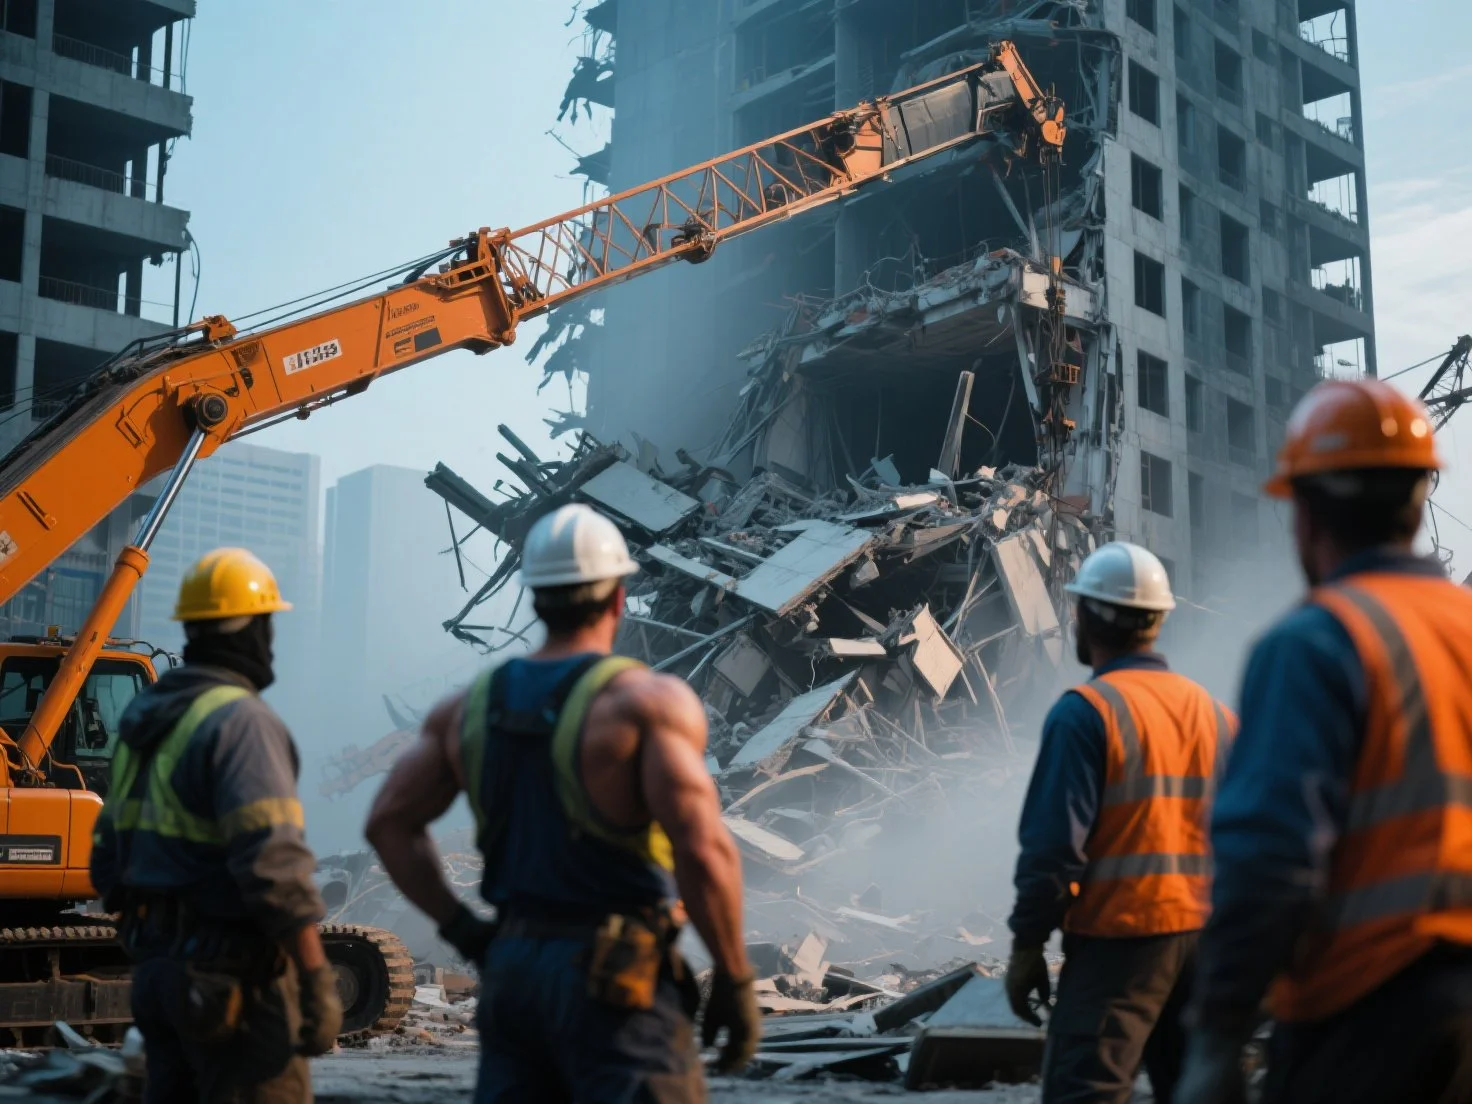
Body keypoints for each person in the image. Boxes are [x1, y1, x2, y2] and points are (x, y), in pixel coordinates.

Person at [365, 503, 759, 1103]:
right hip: (615, 979)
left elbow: (389, 823)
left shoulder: (464, 710)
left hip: (513, 973)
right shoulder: (645, 704)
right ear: (618, 599)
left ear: (533, 597)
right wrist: (733, 975)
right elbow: (702, 850)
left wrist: (466, 930)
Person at [1177, 379, 1472, 1104]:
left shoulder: (1317, 641)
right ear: (1417, 498)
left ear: (1306, 513)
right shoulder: (1464, 628)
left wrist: (1216, 1039)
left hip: (1365, 1017)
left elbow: (1270, 860)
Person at [90, 548, 342, 1104]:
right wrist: (317, 979)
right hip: (233, 986)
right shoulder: (241, 721)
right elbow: (274, 867)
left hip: (158, 975)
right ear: (251, 629)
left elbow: (105, 861)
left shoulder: (143, 724)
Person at [1005, 541, 1236, 1104]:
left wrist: (1028, 944)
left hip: (1121, 942)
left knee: (1085, 1090)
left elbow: (1054, 849)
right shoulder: (1216, 714)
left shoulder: (1086, 712)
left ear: (1086, 616)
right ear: (1156, 621)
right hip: (1207, 943)